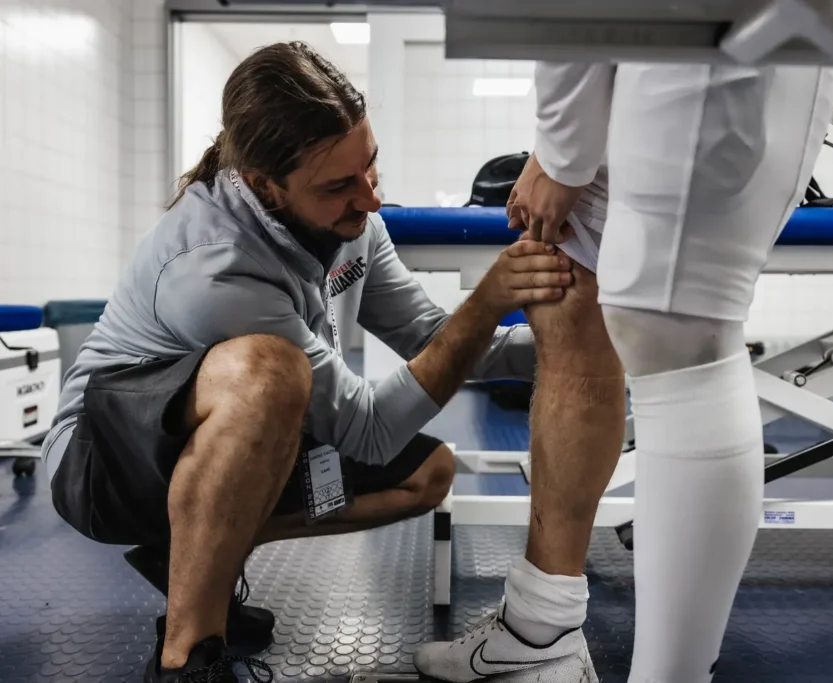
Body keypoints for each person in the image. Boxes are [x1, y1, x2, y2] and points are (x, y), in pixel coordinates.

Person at [40, 42, 575, 683]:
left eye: (370, 168)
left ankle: (194, 550)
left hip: (212, 445)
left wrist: (562, 355)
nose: (371, 200)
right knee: (272, 373)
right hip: (101, 467)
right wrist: (488, 301)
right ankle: (187, 657)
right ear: (267, 184)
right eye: (339, 186)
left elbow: (433, 339)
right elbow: (368, 428)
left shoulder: (356, 223)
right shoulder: (212, 266)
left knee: (429, 472)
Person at [414, 62, 833, 681]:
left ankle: (646, 665)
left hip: (687, 63)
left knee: (679, 336)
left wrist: (562, 156)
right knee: (604, 319)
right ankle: (541, 631)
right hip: (756, 65)